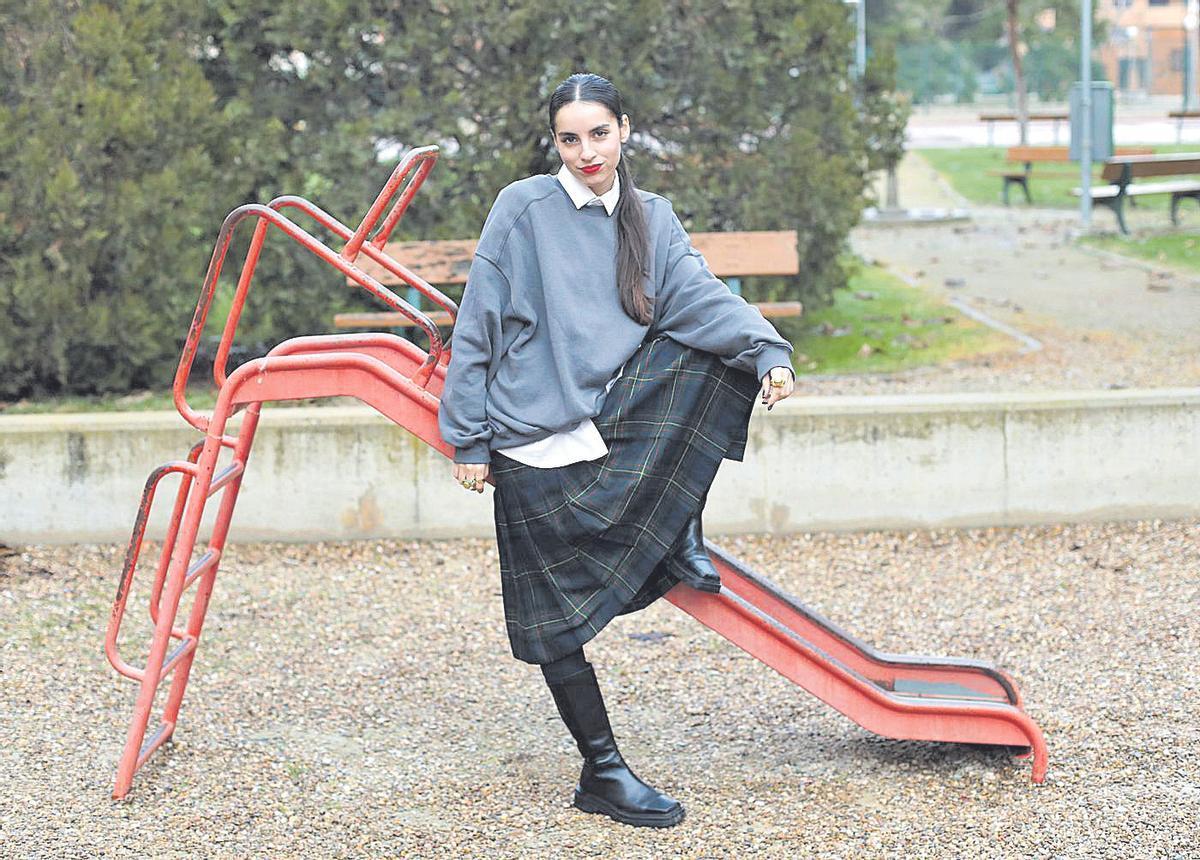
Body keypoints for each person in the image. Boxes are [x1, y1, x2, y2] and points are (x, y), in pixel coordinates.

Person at [437, 72, 795, 829]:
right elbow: (477, 325)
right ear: (556, 143)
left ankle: (678, 533)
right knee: (552, 623)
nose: (586, 151)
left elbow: (700, 298)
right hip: (534, 439)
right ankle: (603, 771)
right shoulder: (523, 209)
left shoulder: (650, 218)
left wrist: (769, 353)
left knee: (710, 353)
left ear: (624, 129)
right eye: (570, 138)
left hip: (613, 423)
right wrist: (467, 439)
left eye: (599, 133)